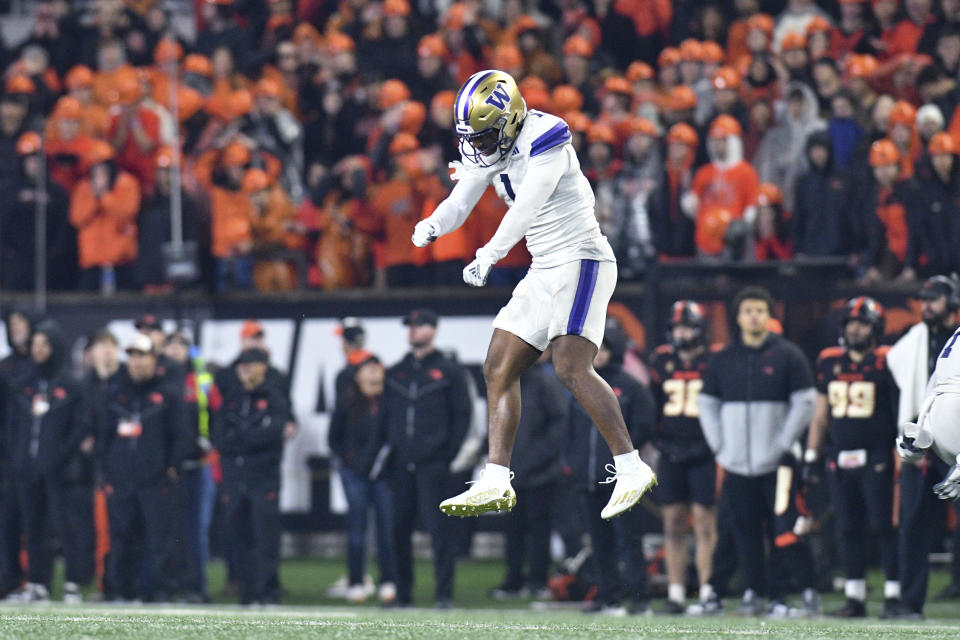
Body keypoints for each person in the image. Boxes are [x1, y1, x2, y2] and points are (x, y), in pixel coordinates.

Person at [411, 69, 656, 521]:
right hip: (544, 266)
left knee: (569, 364)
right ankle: (497, 478)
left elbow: (528, 206)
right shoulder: (491, 145)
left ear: (509, 119)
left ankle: (630, 465)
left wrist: (489, 253)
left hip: (583, 258)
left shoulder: (548, 135)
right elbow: (460, 200)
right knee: (498, 365)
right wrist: (433, 225)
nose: (478, 146)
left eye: (485, 136)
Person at [695, 287, 819, 616]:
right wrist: (721, 445)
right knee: (745, 531)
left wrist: (781, 443)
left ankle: (785, 595)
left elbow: (806, 402)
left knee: (783, 531)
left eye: (760, 310)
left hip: (779, 464)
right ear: (737, 318)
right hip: (737, 464)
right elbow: (706, 404)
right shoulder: (723, 359)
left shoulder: (787, 355)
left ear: (769, 316)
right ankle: (755, 592)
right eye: (748, 310)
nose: (754, 316)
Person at [804, 297, 901, 618]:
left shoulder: (888, 360)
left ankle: (894, 595)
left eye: (861, 323)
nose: (855, 329)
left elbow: (901, 410)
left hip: (877, 454)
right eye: (850, 324)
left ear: (875, 328)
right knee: (847, 528)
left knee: (883, 526)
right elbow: (820, 414)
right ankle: (855, 597)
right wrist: (811, 454)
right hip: (839, 454)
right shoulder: (829, 360)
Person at [377, 309, 471, 607]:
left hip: (434, 465)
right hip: (401, 464)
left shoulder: (449, 372)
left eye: (418, 326)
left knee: (440, 532)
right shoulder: (397, 371)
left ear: (433, 329)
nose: (413, 331)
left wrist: (448, 454)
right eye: (411, 326)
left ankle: (444, 594)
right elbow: (385, 416)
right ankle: (403, 594)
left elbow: (462, 415)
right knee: (398, 531)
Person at [566, 326, 655, 615]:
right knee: (599, 542)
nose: (598, 353)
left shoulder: (630, 387)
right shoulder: (580, 385)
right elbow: (572, 432)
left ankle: (638, 598)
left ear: (614, 350)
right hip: (588, 478)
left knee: (628, 540)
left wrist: (620, 460)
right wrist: (577, 463)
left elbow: (643, 427)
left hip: (621, 480)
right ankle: (608, 596)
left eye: (603, 348)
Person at [887, 275, 960, 617]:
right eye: (923, 298)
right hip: (925, 439)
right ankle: (909, 602)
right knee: (913, 522)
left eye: (934, 298)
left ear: (952, 301)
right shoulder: (912, 342)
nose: (926, 304)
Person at [97, 333, 190, 602]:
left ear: (154, 359)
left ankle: (160, 591)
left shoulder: (168, 393)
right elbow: (104, 433)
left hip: (155, 477)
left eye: (142, 356)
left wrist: (172, 466)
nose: (136, 362)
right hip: (122, 476)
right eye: (132, 356)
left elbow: (181, 434)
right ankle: (121, 590)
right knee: (122, 537)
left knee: (160, 538)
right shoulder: (116, 393)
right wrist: (104, 468)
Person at [3, 321, 86, 602]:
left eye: (44, 345)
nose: (39, 351)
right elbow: (12, 426)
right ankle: (39, 582)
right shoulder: (23, 385)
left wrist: (57, 456)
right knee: (34, 528)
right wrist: (19, 457)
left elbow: (79, 428)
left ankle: (74, 582)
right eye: (35, 345)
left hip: (61, 471)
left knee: (66, 527)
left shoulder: (70, 385)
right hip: (28, 469)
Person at [649, 301, 717, 613]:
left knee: (705, 522)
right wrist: (658, 441)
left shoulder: (713, 361)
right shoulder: (661, 360)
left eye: (687, 326)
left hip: (705, 450)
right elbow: (652, 407)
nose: (682, 333)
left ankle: (707, 591)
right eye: (678, 327)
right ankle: (676, 593)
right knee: (673, 522)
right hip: (672, 451)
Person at [212, 347, 288, 605]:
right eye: (242, 364)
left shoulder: (275, 398)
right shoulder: (232, 399)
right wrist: (248, 438)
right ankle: (247, 590)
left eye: (251, 364)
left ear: (263, 367)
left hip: (263, 476)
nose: (245, 369)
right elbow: (219, 438)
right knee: (238, 535)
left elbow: (272, 434)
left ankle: (267, 590)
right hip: (235, 477)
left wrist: (240, 438)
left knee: (265, 535)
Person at [490, 349, 568, 600]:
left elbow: (559, 423)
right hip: (511, 472)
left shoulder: (545, 382)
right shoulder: (506, 383)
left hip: (540, 473)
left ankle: (538, 580)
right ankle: (513, 580)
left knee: (538, 529)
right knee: (513, 529)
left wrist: (538, 458)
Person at [328, 355, 397, 605]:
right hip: (355, 475)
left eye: (375, 368)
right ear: (357, 376)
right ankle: (356, 581)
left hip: (382, 476)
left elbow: (393, 439)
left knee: (386, 530)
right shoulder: (347, 403)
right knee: (357, 529)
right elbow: (334, 439)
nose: (372, 373)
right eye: (366, 369)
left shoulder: (390, 401)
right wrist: (349, 463)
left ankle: (388, 580)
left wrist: (381, 465)